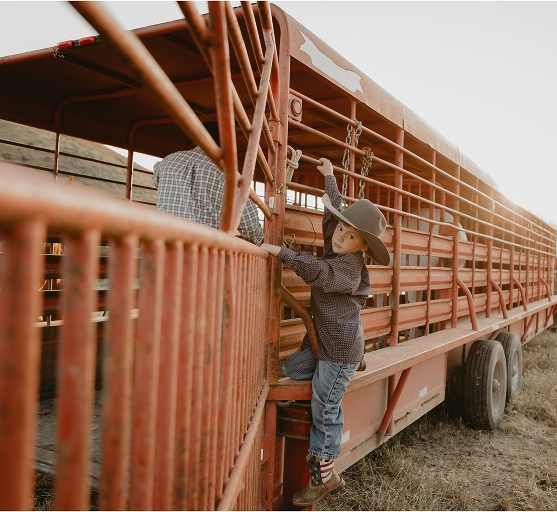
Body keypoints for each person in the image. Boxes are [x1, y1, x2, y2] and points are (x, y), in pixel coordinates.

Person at [261, 157, 389, 506]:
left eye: (351, 237)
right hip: (324, 342)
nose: (340, 237)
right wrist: (331, 177)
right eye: (342, 231)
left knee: (325, 405)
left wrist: (280, 252)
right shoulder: (339, 237)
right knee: (291, 371)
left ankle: (324, 475)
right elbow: (333, 216)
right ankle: (351, 367)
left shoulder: (348, 271)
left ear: (363, 248)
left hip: (338, 350)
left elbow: (317, 271)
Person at [152, 122, 264, 246]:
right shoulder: (228, 175)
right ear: (226, 144)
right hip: (203, 251)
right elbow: (251, 230)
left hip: (163, 245)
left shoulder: (168, 161)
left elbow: (156, 181)